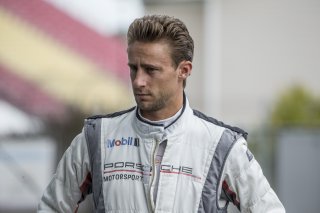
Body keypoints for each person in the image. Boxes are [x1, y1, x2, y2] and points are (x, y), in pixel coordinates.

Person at [38, 15, 285, 212]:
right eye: (133, 68)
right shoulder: (97, 138)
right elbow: (50, 207)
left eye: (151, 70)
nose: (138, 81)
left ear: (184, 70)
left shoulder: (221, 145)